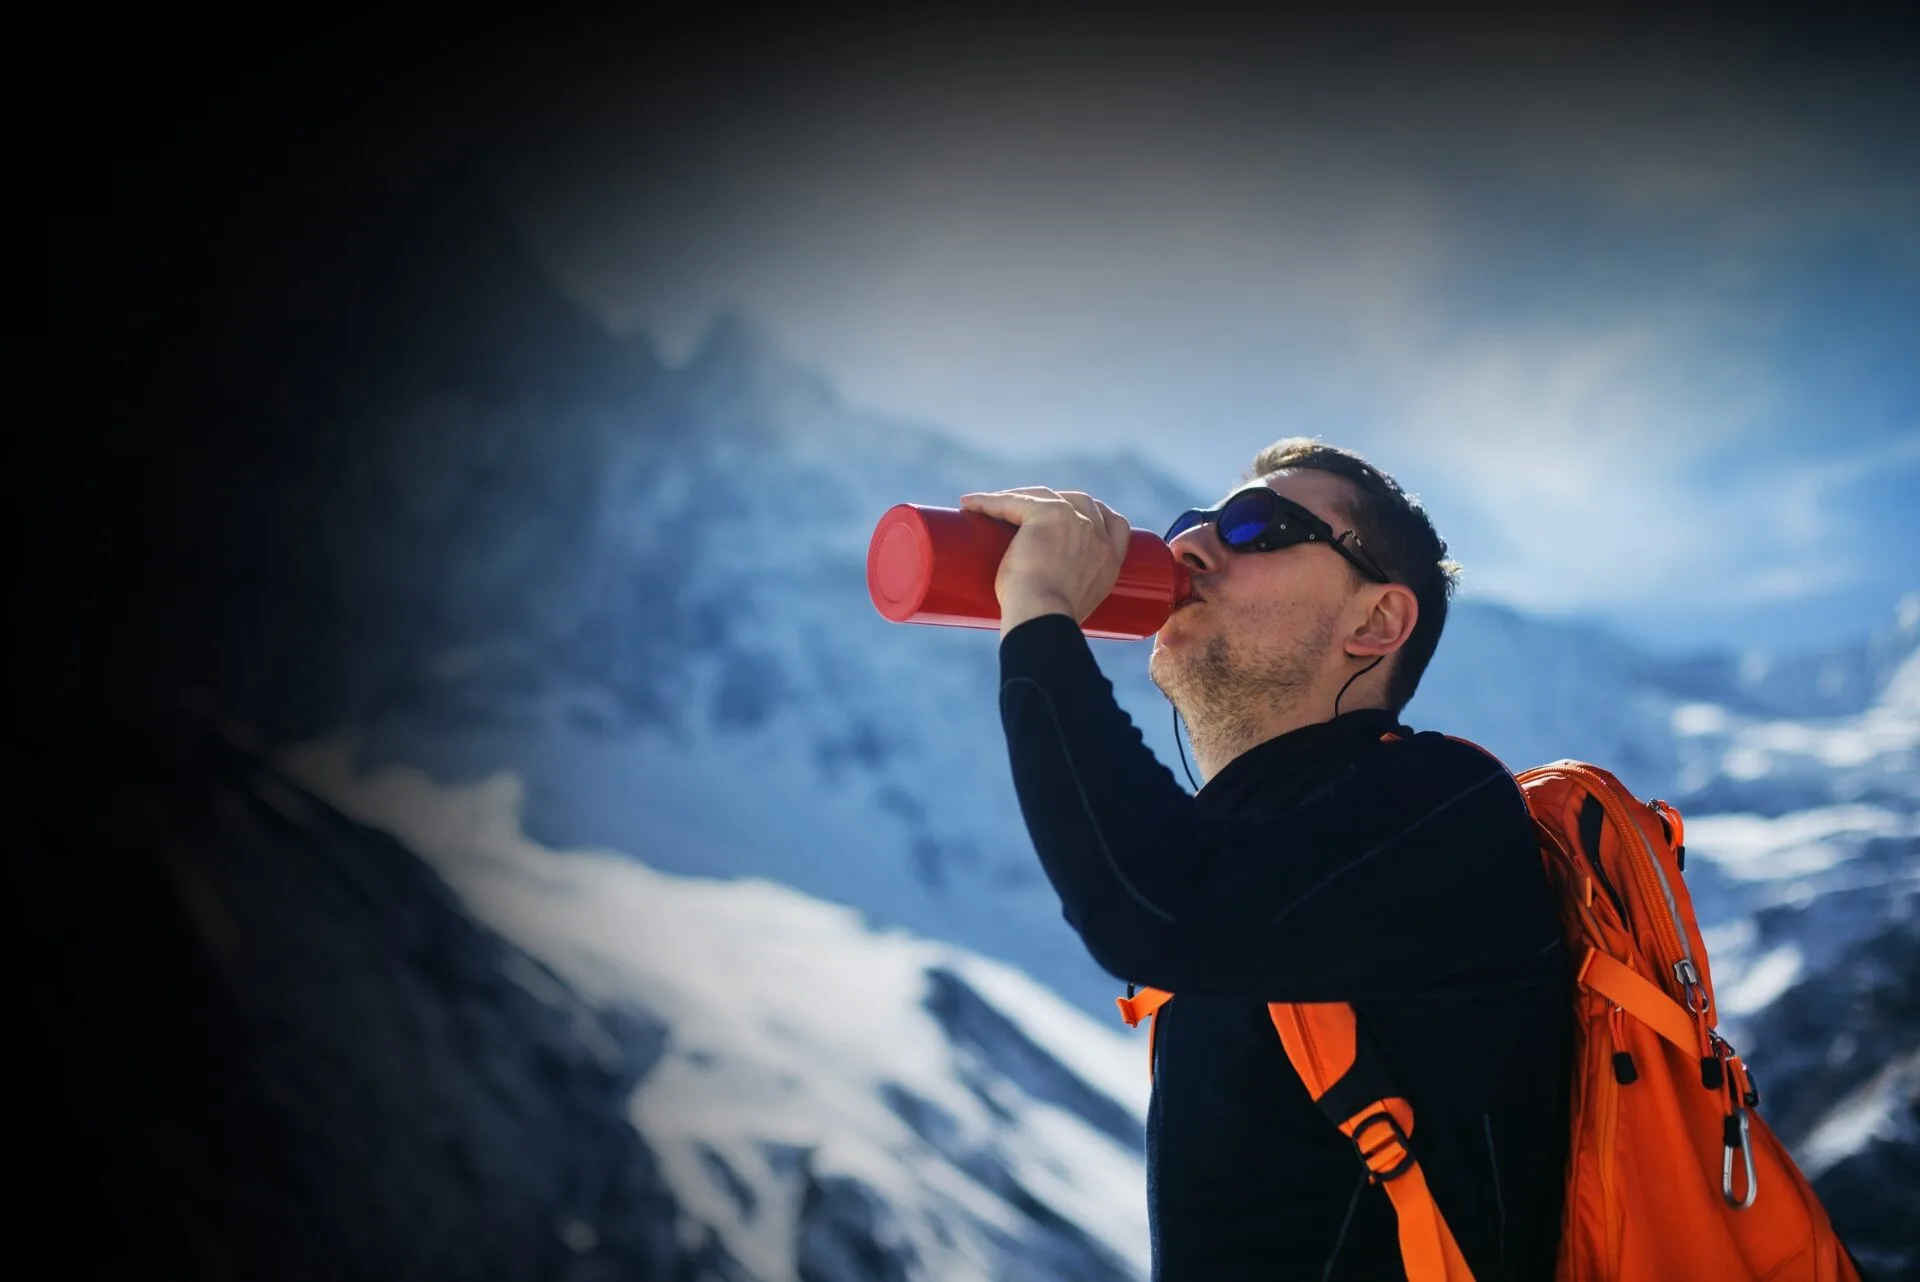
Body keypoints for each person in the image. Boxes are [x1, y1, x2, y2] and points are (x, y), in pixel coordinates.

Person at [959, 438, 1571, 1281]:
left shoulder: (1444, 805)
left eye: (1256, 525)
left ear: (1375, 622)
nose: (1188, 547)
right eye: (1190, 523)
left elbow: (1157, 905)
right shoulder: (1244, 860)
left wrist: (1039, 608)